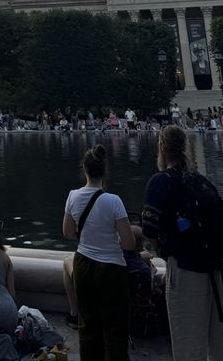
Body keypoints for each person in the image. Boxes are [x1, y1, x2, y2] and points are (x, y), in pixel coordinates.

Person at [142, 125, 223, 361]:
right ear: (185, 147)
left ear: (161, 147)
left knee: (188, 348)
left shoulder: (160, 181)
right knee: (220, 347)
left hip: (185, 270)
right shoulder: (200, 180)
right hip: (213, 270)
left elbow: (149, 230)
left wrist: (161, 249)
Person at [62, 145, 133, 361]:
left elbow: (67, 232)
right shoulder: (114, 201)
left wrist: (88, 235)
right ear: (105, 170)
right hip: (112, 269)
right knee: (115, 330)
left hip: (83, 264)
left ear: (84, 169)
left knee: (88, 328)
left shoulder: (72, 196)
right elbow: (129, 243)